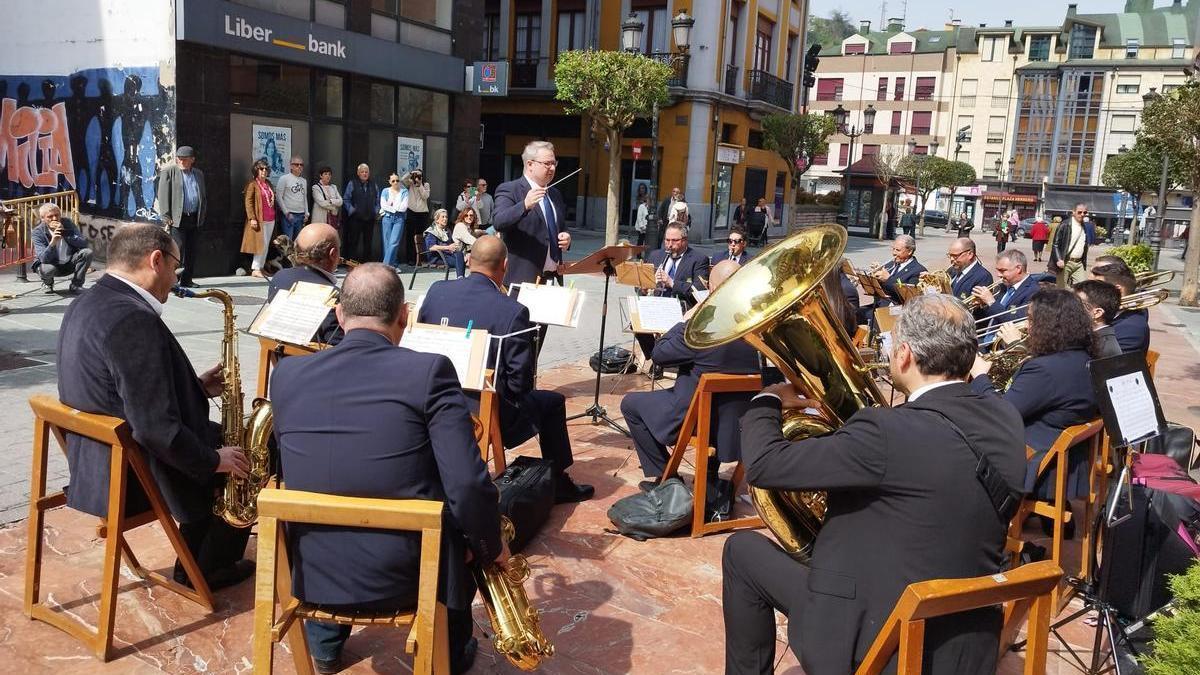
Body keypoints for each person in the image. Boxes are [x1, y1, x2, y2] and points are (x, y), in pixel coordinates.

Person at [724, 294, 1025, 675]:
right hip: (965, 639)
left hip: (879, 641)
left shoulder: (885, 431)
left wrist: (766, 401)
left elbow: (765, 466)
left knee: (742, 551)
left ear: (903, 355)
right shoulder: (1005, 416)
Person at [271, 263, 506, 674]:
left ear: (340, 316)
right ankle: (448, 650)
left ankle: (325, 646)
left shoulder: (287, 373)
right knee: (457, 508)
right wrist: (490, 546)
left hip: (310, 570)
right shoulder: (430, 371)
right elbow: (468, 485)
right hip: (406, 575)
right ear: (404, 315)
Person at [57, 224, 253, 590]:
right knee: (251, 453)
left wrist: (195, 387)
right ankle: (209, 568)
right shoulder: (133, 318)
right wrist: (215, 460)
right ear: (156, 260)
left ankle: (201, 551)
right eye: (176, 266)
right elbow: (155, 430)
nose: (177, 277)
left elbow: (116, 390)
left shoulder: (88, 301)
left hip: (99, 462)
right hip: (137, 473)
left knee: (230, 440)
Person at [418, 236, 594, 503]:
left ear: (468, 260)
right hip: (485, 412)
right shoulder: (513, 310)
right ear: (505, 266)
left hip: (432, 402)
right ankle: (558, 482)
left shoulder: (436, 290)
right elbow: (519, 383)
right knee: (553, 402)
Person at [621, 260, 761, 513]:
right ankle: (708, 473)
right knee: (717, 402)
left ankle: (666, 478)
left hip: (694, 420)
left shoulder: (703, 331)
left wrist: (686, 320)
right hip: (738, 428)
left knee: (631, 404)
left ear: (712, 290)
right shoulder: (760, 329)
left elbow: (660, 354)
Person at [970, 288, 1099, 498]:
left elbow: (1000, 414)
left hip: (1035, 458)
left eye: (1030, 319)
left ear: (1048, 326)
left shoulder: (1044, 369)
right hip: (1066, 457)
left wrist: (981, 377)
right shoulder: (1084, 357)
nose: (1026, 325)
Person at [492, 141, 571, 286]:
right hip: (522, 280)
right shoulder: (510, 189)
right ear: (530, 164)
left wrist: (566, 237)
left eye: (554, 163)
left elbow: (559, 226)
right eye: (547, 164)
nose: (552, 168)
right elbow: (498, 221)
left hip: (552, 278)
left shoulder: (555, 194)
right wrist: (524, 205)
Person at [267, 222, 344, 346]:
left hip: (281, 360)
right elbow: (338, 345)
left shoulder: (279, 277)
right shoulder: (332, 294)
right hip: (315, 362)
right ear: (333, 254)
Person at [155, 145, 206, 287]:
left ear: (192, 160)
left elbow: (203, 196)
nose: (182, 162)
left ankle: (187, 279)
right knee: (177, 249)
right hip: (177, 218)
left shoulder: (198, 174)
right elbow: (163, 195)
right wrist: (166, 215)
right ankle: (171, 279)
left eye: (185, 159)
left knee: (192, 250)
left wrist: (202, 213)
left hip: (194, 217)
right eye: (179, 159)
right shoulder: (169, 172)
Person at [31, 202, 93, 293]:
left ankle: (76, 285)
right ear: (43, 218)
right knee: (47, 270)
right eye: (50, 216)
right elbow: (43, 258)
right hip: (51, 265)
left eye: (57, 215)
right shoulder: (37, 232)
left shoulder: (67, 223)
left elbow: (83, 243)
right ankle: (48, 283)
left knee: (87, 252)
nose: (55, 219)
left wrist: (64, 232)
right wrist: (53, 242)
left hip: (69, 263)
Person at [646, 223, 710, 306]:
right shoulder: (655, 256)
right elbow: (640, 285)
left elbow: (699, 291)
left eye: (675, 240)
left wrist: (672, 283)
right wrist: (645, 288)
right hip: (654, 305)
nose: (670, 245)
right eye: (667, 240)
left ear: (685, 240)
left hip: (681, 308)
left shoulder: (699, 260)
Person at [973, 249, 1038, 331]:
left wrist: (991, 302)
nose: (998, 275)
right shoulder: (1002, 287)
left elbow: (1015, 321)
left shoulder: (1033, 291)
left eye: (1002, 271)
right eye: (997, 270)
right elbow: (993, 316)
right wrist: (984, 305)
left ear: (1018, 268)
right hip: (987, 335)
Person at [1090, 264, 1148, 353]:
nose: (1089, 292)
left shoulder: (1130, 328)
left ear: (1118, 290)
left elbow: (1104, 361)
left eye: (1097, 288)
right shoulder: (1112, 312)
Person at [241, 159, 277, 279]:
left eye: (266, 169)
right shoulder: (252, 185)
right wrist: (252, 218)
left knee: (266, 245)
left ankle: (261, 267)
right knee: (260, 244)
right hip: (260, 219)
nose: (264, 171)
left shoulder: (268, 184)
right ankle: (255, 268)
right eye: (261, 169)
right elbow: (248, 202)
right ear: (256, 170)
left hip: (270, 218)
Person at [871, 234, 926, 307]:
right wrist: (874, 278)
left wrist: (888, 279)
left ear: (909, 251)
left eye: (898, 250)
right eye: (893, 249)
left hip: (897, 309)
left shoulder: (918, 270)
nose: (894, 253)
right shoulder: (890, 265)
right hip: (880, 305)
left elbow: (909, 296)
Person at [1074, 279, 1123, 358]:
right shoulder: (1091, 337)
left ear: (1097, 313)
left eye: (1077, 303)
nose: (1070, 306)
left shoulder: (1106, 349)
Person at [342, 163, 380, 263]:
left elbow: (377, 200)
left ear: (369, 173)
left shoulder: (373, 184)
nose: (364, 174)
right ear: (358, 173)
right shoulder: (352, 183)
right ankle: (352, 265)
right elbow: (346, 199)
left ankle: (367, 265)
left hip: (370, 218)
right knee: (353, 242)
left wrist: (375, 211)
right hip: (356, 218)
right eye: (362, 172)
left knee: (368, 243)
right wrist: (352, 210)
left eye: (366, 172)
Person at [1049, 203, 1090, 287]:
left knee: (1082, 288)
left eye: (1085, 212)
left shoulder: (1084, 226)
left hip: (1079, 263)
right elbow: (1055, 244)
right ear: (1073, 212)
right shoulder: (1065, 224)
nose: (1082, 214)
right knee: (1062, 288)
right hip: (1066, 261)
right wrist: (1059, 259)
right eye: (1079, 212)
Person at [946, 237, 993, 302]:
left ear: (970, 254)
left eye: (955, 256)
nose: (951, 259)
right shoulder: (951, 270)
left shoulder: (983, 276)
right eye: (950, 255)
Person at [275, 156, 309, 243]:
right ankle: (286, 257)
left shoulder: (303, 181)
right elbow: (279, 197)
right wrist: (286, 213)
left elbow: (304, 197)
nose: (299, 166)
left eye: (301, 165)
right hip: (289, 215)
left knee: (299, 241)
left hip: (301, 215)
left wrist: (306, 213)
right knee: (288, 242)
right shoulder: (284, 178)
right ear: (291, 166)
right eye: (296, 164)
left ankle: (296, 257)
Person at [400, 169, 430, 266]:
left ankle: (421, 258)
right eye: (416, 175)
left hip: (422, 213)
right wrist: (411, 174)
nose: (417, 177)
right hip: (411, 212)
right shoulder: (410, 183)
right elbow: (402, 180)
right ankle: (410, 259)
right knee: (410, 236)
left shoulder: (426, 185)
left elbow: (425, 196)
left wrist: (420, 184)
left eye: (419, 175)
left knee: (421, 236)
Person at [379, 173, 409, 270]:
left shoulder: (404, 192)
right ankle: (393, 265)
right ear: (389, 182)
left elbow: (404, 207)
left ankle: (385, 266)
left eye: (397, 180)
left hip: (399, 219)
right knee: (387, 243)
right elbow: (383, 205)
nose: (396, 182)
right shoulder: (385, 191)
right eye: (393, 181)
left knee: (394, 242)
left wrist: (391, 207)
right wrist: (395, 208)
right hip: (387, 218)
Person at [424, 208, 465, 278]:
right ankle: (461, 278)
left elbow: (451, 245)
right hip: (437, 257)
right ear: (437, 220)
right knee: (460, 262)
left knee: (460, 255)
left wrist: (455, 247)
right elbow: (431, 247)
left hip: (446, 255)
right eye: (442, 217)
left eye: (446, 217)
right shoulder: (431, 231)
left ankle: (460, 278)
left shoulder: (447, 231)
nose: (445, 219)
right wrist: (448, 247)